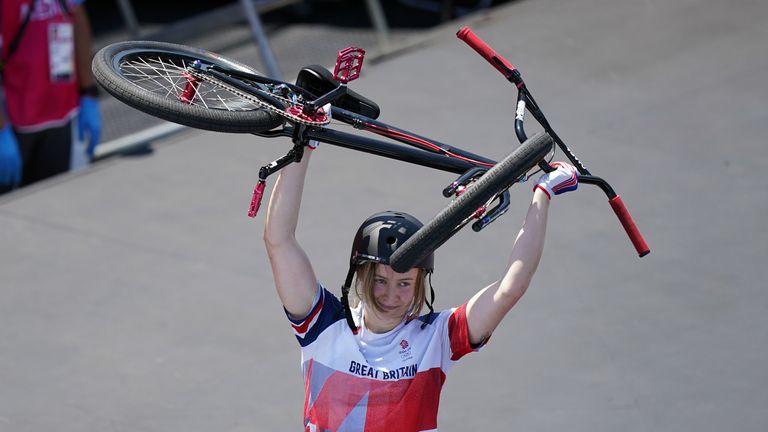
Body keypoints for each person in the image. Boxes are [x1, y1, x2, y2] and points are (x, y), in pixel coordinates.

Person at [263, 140, 578, 431]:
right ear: (361, 276)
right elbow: (278, 240)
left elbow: (511, 287)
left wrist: (543, 194)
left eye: (404, 283)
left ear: (420, 285)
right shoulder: (323, 325)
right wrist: (303, 143)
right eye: (381, 280)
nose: (390, 295)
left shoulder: (437, 337)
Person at [0, 0, 101, 194]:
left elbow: (78, 18)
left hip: (62, 114)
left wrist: (88, 93)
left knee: (55, 198)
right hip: (13, 124)